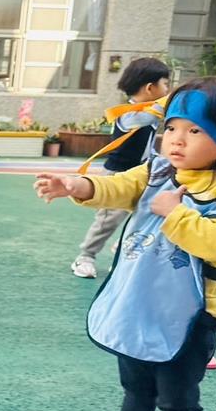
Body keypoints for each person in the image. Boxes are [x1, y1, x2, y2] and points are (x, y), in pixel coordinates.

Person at [34, 79, 216, 411]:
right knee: (135, 381)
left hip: (190, 315)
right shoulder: (158, 171)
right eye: (172, 127)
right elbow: (121, 186)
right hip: (141, 300)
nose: (177, 139)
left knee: (177, 396)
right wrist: (78, 186)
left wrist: (175, 215)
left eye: (195, 130)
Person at [72, 57, 171, 279]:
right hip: (117, 174)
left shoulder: (148, 111)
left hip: (143, 174)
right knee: (107, 220)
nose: (167, 90)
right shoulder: (130, 114)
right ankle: (85, 256)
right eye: (165, 84)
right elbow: (153, 114)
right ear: (150, 88)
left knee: (149, 211)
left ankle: (123, 245)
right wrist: (173, 100)